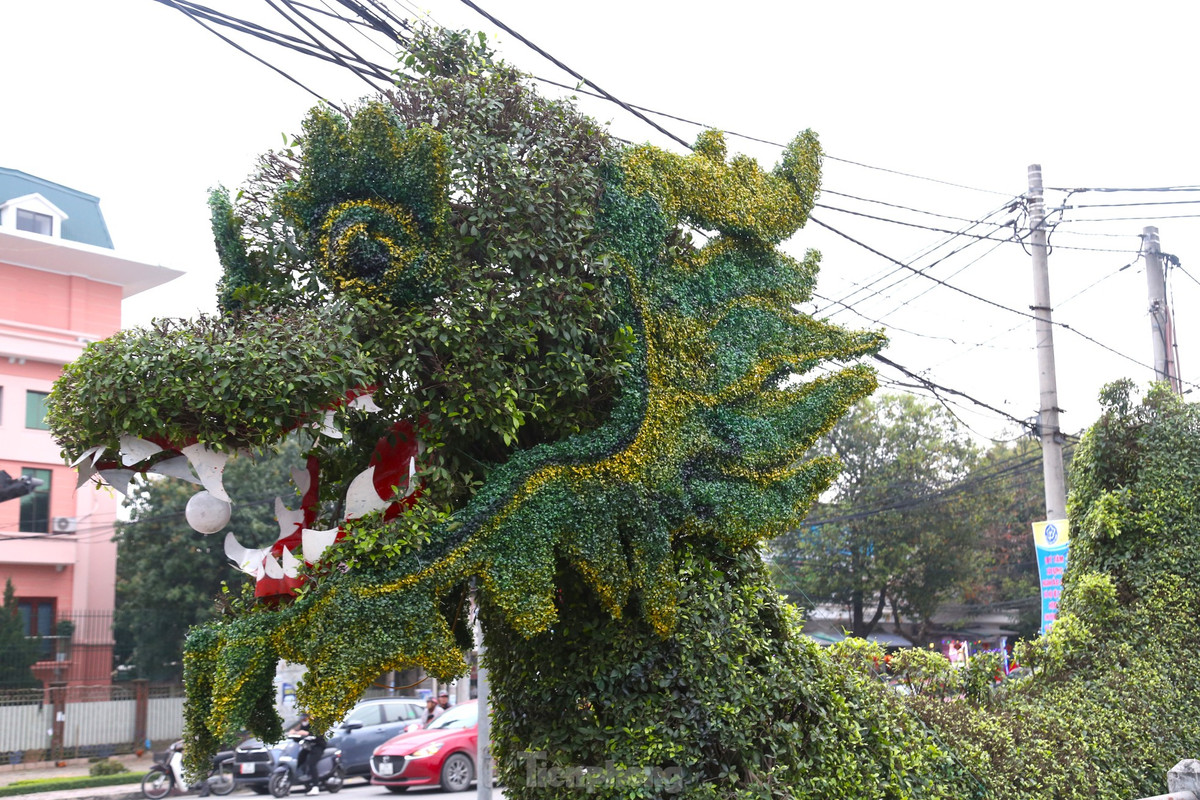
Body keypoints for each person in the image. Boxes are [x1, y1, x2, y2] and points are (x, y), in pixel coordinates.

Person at [287, 713, 326, 795]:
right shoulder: (303, 726)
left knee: (311, 763)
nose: (303, 721)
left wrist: (307, 734)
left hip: (318, 747)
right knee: (299, 761)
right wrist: (294, 734)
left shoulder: (317, 725)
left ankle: (315, 787)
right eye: (302, 719)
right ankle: (288, 785)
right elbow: (298, 739)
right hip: (307, 747)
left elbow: (319, 737)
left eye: (305, 719)